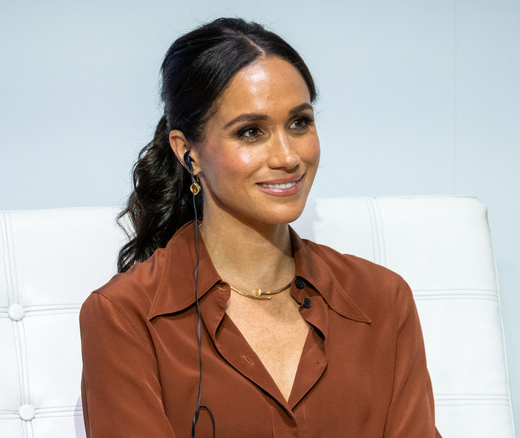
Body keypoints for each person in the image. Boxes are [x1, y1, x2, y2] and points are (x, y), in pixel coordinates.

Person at [79, 17, 441, 437]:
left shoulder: (382, 300)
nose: (288, 156)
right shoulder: (124, 317)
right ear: (188, 153)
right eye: (251, 132)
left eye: (299, 122)